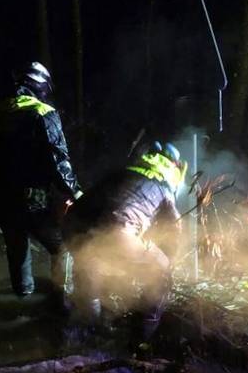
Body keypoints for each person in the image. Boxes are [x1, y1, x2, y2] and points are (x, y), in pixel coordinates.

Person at [0, 61, 82, 297]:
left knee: (17, 247)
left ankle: (22, 302)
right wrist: (76, 192)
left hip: (0, 197)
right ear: (42, 87)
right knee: (62, 246)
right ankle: (63, 303)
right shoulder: (43, 113)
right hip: (31, 197)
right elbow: (59, 160)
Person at [64, 141, 186, 339]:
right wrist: (168, 259)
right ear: (173, 167)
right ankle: (141, 340)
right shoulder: (163, 185)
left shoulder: (123, 172)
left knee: (88, 264)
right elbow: (174, 231)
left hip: (73, 227)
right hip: (117, 232)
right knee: (161, 273)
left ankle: (87, 331)